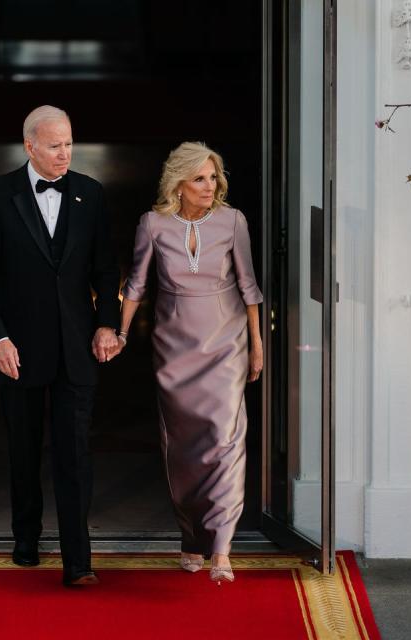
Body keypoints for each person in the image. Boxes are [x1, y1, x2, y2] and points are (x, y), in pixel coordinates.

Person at [0, 105, 121, 587]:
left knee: (74, 454)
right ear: (30, 145)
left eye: (69, 143)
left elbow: (105, 269)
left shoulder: (90, 194)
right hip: (19, 348)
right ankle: (26, 538)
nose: (64, 154)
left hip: (77, 347)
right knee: (24, 448)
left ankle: (79, 561)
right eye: (55, 145)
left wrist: (106, 325)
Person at [112, 142, 264, 583]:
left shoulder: (233, 221)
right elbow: (136, 285)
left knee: (227, 439)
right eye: (199, 178)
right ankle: (191, 537)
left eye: (213, 177)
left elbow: (250, 288)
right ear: (177, 183)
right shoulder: (153, 224)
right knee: (181, 448)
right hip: (174, 346)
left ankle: (221, 549)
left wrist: (255, 345)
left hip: (226, 343)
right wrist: (121, 332)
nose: (208, 186)